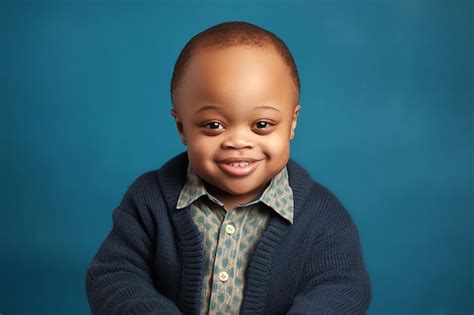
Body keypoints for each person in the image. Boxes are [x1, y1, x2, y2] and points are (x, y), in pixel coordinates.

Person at [86, 21, 371, 314]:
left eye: (261, 125)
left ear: (292, 123)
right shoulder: (149, 200)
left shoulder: (322, 216)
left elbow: (342, 288)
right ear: (182, 127)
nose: (238, 142)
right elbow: (115, 274)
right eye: (214, 125)